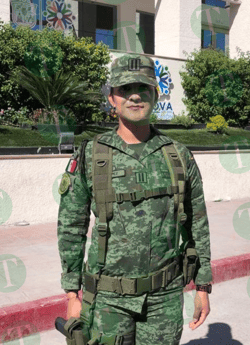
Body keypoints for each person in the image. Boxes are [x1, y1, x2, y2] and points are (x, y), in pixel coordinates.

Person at [57, 53, 212, 345]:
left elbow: (197, 223)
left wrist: (202, 286)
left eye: (143, 88)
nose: (135, 96)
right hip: (107, 300)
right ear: (112, 99)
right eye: (124, 89)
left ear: (155, 94)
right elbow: (71, 227)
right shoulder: (92, 154)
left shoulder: (178, 154)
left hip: (164, 299)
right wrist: (71, 293)